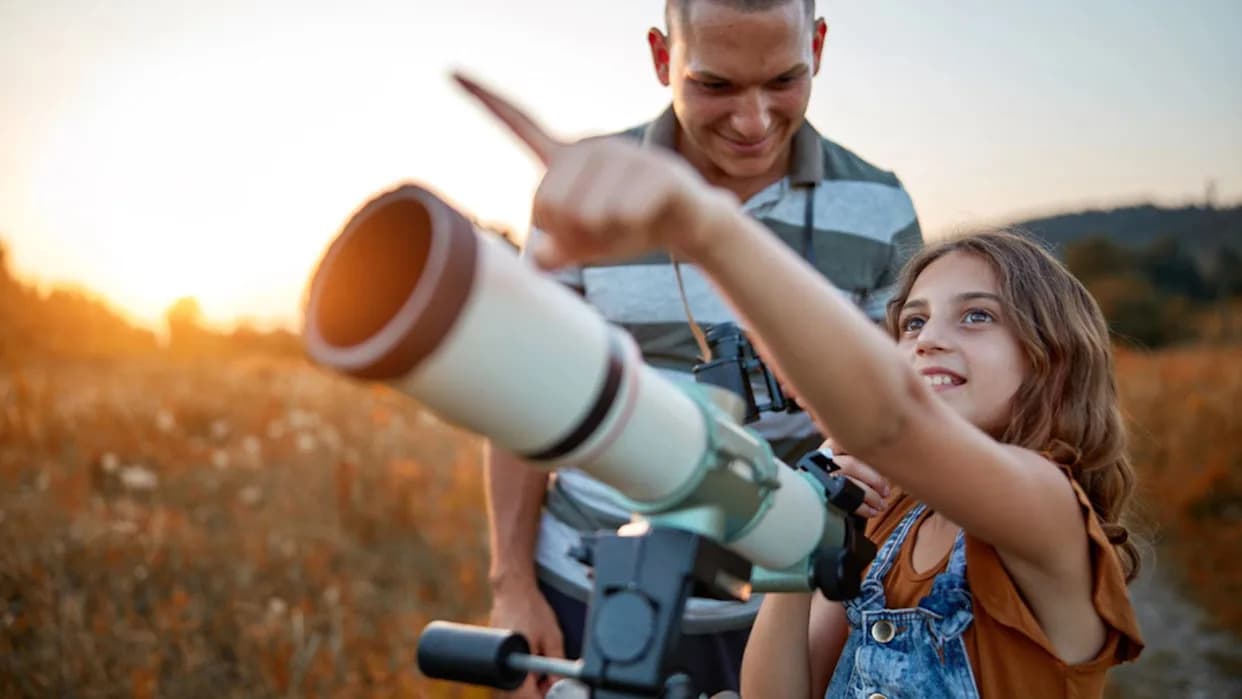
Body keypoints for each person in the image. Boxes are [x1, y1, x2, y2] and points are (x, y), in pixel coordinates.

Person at [454, 69, 1145, 698]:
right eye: (911, 322)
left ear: (1051, 357)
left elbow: (893, 420)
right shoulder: (891, 517)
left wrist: (701, 227)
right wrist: (801, 549)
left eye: (976, 316)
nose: (929, 337)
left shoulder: (1048, 508)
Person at [482, 1, 922, 696]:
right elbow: (520, 403)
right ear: (663, 57)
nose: (753, 122)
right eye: (715, 85)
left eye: (784, 80)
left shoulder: (882, 206)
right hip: (590, 587)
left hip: (796, 604)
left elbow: (905, 425)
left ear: (820, 44)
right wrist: (512, 586)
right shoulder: (586, 193)